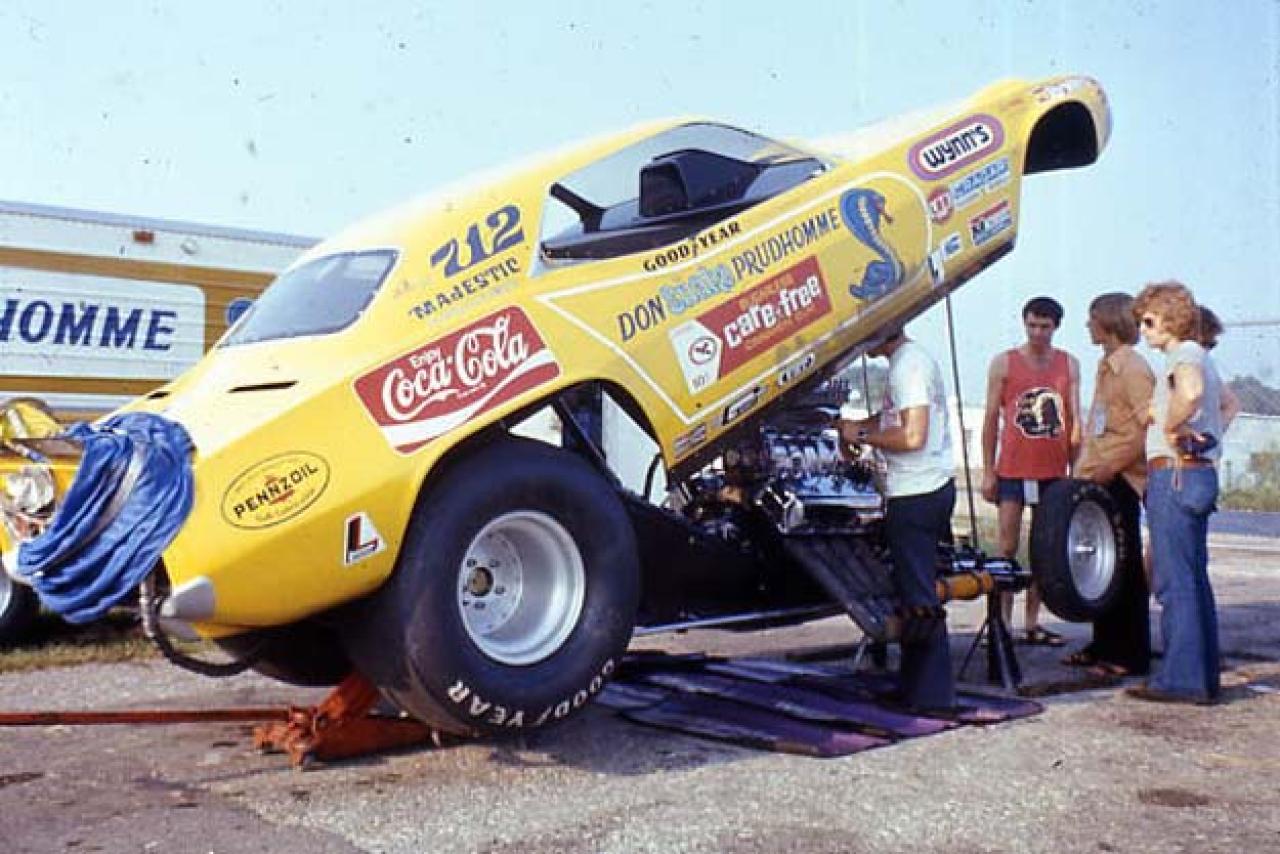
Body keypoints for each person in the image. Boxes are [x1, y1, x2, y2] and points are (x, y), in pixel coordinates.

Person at [839, 326, 956, 710]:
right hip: (923, 488)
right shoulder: (908, 362)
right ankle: (916, 685)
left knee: (919, 594)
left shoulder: (909, 368)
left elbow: (911, 436)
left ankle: (932, 695)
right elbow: (893, 418)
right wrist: (858, 426)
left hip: (917, 492)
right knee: (911, 591)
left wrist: (862, 436)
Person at [1126, 282, 1225, 705]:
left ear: (1171, 319)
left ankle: (1181, 680)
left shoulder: (1183, 355)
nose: (1143, 330)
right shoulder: (1201, 356)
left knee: (1173, 581)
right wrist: (1199, 434)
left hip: (1175, 476)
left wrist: (1168, 424)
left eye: (1148, 321)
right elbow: (1228, 405)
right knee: (1193, 578)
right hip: (1199, 473)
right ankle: (1203, 676)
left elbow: (1192, 393)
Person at [981, 296, 1081, 646]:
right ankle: (1001, 624)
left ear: (1055, 327)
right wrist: (988, 470)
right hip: (1012, 469)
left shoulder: (1068, 364)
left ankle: (1032, 622)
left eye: (1045, 326)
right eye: (1032, 325)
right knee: (1006, 546)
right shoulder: (1004, 363)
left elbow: (1074, 419)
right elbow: (990, 419)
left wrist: (1075, 470)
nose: (1038, 332)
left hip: (1053, 472)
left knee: (1044, 549)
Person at [1066, 293, 1155, 678]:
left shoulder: (1133, 368)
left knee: (1125, 565)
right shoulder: (1107, 365)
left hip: (1121, 477)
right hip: (1100, 473)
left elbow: (1147, 428)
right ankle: (1103, 645)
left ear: (1107, 323)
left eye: (1092, 319)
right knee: (1102, 566)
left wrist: (1112, 466)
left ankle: (1129, 654)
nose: (1088, 326)